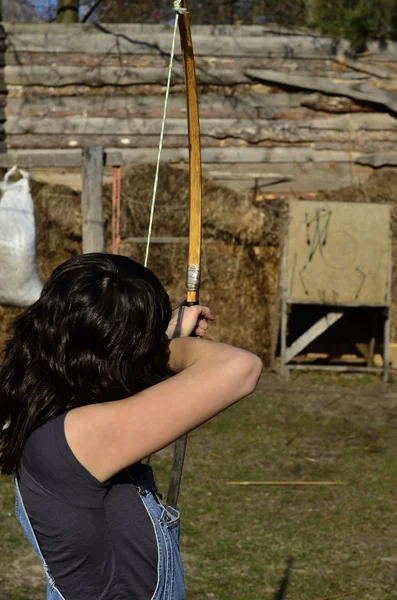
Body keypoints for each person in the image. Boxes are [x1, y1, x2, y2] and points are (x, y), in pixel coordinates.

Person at [0, 253, 262, 600]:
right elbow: (240, 368)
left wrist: (152, 338)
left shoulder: (46, 398)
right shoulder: (78, 436)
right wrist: (166, 347)